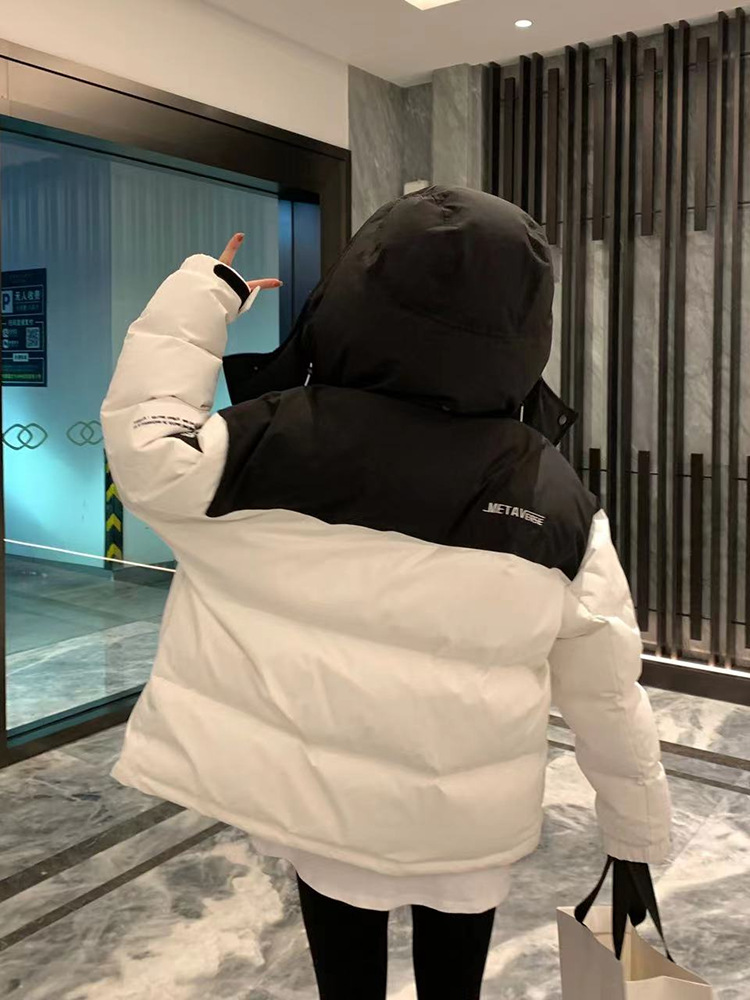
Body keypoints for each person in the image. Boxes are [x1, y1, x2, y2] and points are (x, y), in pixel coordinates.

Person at [101, 187, 671, 999]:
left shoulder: (262, 440)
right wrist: (634, 834)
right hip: (468, 829)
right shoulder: (555, 498)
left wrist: (204, 292)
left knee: (345, 969)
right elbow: (607, 693)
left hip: (320, 810)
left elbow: (147, 438)